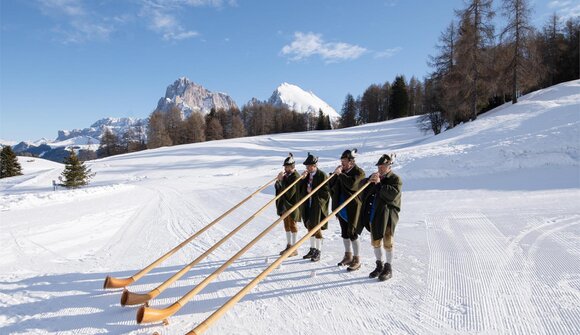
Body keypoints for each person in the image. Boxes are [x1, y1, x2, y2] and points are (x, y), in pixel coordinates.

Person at [358, 154, 402, 281]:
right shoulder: (375, 177)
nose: (381, 169)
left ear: (389, 166)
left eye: (383, 167)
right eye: (379, 166)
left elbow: (391, 195)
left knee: (388, 241)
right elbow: (361, 187)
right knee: (376, 241)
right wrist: (367, 181)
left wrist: (378, 184)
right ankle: (379, 265)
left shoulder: (395, 179)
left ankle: (388, 268)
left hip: (388, 215)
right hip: (375, 214)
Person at [329, 148, 366, 271]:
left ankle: (357, 259)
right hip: (340, 206)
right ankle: (348, 255)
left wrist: (340, 175)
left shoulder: (359, 172)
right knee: (344, 233)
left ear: (351, 161)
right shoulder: (341, 172)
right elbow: (330, 186)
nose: (342, 163)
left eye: (344, 161)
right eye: (342, 160)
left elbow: (352, 185)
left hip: (353, 207)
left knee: (353, 233)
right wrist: (334, 175)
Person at [298, 152, 330, 262]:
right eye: (306, 166)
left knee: (316, 228)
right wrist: (302, 180)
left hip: (317, 205)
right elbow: (300, 189)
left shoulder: (322, 175)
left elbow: (326, 192)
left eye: (309, 166)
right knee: (309, 226)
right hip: (308, 204)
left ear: (314, 165)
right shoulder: (307, 175)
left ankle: (318, 251)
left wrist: (314, 193)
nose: (307, 168)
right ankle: (312, 249)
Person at [275, 153, 301, 257]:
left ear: (292, 167)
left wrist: (281, 181)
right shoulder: (287, 176)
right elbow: (278, 188)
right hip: (284, 205)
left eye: (287, 167)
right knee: (286, 226)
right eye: (285, 167)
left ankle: (294, 248)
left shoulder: (296, 176)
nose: (285, 169)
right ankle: (289, 245)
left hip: (292, 205)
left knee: (292, 225)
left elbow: (289, 192)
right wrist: (278, 181)